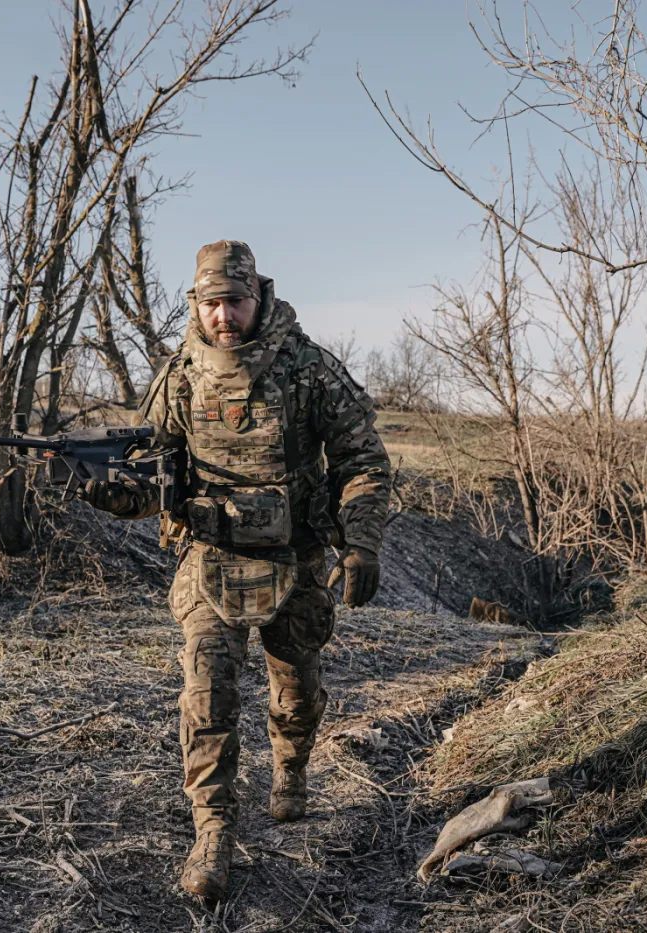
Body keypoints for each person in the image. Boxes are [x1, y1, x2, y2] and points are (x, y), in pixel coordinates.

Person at [81, 240, 392, 898]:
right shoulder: (182, 375)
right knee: (206, 694)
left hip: (296, 559)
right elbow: (156, 476)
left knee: (296, 693)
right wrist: (114, 494)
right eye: (212, 302)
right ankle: (213, 828)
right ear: (197, 303)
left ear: (260, 297)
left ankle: (291, 765)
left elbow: (362, 457)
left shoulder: (307, 368)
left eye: (236, 301)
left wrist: (361, 543)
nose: (224, 315)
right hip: (211, 560)